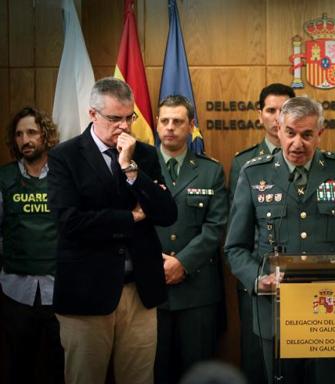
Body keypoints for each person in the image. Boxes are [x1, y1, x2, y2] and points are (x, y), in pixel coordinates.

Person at [225, 96, 335, 384]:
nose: (298, 143)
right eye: (291, 133)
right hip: (276, 308)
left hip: (330, 309)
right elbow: (235, 248)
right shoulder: (254, 173)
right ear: (278, 129)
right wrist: (259, 279)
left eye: (307, 134)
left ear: (320, 133)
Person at [47, 77, 177, 384]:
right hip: (87, 292)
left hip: (139, 290)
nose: (123, 127)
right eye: (113, 119)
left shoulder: (143, 154)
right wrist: (130, 218)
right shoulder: (65, 156)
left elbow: (166, 213)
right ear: (93, 114)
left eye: (128, 118)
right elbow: (70, 221)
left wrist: (129, 168)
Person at [154, 95, 228, 384]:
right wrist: (157, 264)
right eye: (165, 121)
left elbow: (216, 226)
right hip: (151, 290)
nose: (170, 127)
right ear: (157, 125)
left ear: (191, 126)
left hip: (198, 291)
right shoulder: (137, 168)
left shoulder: (210, 171)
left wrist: (182, 262)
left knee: (197, 373)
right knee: (156, 372)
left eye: (178, 121)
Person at [228, 83, 294, 384]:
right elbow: (238, 227)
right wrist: (255, 275)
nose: (278, 117)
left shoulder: (309, 157)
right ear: (260, 115)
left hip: (300, 276)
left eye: (285, 110)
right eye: (271, 110)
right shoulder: (244, 162)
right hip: (258, 275)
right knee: (258, 359)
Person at [0, 107, 64, 383]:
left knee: (57, 369)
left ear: (46, 136)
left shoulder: (64, 176)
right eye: (18, 134)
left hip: (59, 290)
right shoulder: (4, 179)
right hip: (15, 291)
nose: (24, 140)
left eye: (31, 132)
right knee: (17, 367)